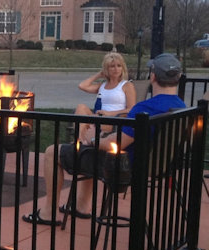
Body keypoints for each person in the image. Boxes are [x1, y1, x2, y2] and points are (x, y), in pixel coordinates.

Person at [23, 53, 185, 226]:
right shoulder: (182, 108)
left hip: (122, 166)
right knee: (92, 148)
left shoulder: (145, 108)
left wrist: (92, 139)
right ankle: (81, 205)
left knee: (52, 152)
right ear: (179, 77)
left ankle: (48, 213)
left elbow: (116, 144)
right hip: (155, 167)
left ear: (152, 77)